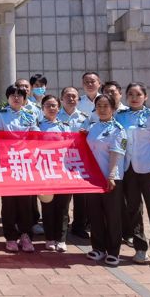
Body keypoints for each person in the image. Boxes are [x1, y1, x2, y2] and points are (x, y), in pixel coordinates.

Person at [117, 83, 150, 269]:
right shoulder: (120, 116)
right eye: (130, 94)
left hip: (148, 169)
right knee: (133, 209)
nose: (134, 97)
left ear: (145, 97)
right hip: (128, 170)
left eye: (138, 94)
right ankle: (140, 248)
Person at [0, 85, 40, 253]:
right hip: (8, 164)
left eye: (20, 95)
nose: (16, 98)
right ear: (7, 98)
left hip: (26, 164)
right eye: (12, 95)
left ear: (24, 99)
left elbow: (35, 136)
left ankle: (26, 235)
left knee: (26, 202)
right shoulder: (1, 114)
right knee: (9, 203)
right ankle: (11, 237)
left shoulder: (30, 114)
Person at [85, 94, 127, 267]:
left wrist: (111, 175)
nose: (102, 109)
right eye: (99, 106)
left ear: (113, 108)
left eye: (106, 106)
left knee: (112, 215)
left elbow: (117, 153)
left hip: (111, 178)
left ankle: (114, 251)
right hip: (93, 179)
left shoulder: (118, 129)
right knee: (95, 214)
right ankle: (98, 248)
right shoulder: (92, 127)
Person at [38, 95, 72, 253]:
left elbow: (71, 147)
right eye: (48, 105)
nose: (51, 108)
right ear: (42, 108)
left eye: (54, 105)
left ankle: (61, 239)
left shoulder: (65, 126)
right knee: (48, 207)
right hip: (45, 172)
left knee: (63, 207)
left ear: (59, 108)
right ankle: (49, 238)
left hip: (63, 172)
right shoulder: (37, 126)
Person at [58, 86, 90, 239]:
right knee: (63, 198)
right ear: (61, 99)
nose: (71, 99)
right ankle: (62, 227)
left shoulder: (85, 118)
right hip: (61, 162)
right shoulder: (55, 116)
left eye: (74, 96)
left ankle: (79, 226)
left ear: (78, 99)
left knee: (81, 198)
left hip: (79, 162)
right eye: (68, 96)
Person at [14, 78, 43, 235]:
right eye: (20, 86)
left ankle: (33, 221)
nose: (24, 89)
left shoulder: (36, 108)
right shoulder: (8, 109)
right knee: (16, 191)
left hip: (32, 155)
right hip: (13, 156)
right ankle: (17, 221)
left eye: (26, 86)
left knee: (32, 191)